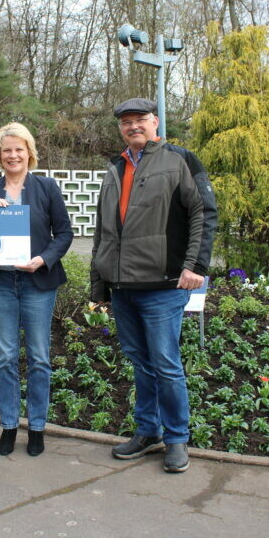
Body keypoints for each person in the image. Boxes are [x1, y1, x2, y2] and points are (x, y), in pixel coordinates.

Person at [89, 98, 217, 473]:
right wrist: (100, 282)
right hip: (123, 287)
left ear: (154, 121)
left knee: (165, 364)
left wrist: (195, 265)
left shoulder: (180, 160)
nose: (133, 127)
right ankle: (148, 431)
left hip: (163, 285)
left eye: (140, 120)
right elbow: (104, 228)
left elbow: (204, 213)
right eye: (126, 122)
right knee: (141, 364)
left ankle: (177, 438)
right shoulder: (115, 167)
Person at [0, 123, 74, 457]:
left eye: (19, 149)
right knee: (4, 356)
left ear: (29, 152)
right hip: (0, 283)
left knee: (39, 357)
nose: (13, 155)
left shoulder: (46, 187)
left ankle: (36, 427)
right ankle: (7, 425)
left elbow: (63, 233)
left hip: (37, 282)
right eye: (6, 150)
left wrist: (43, 259)